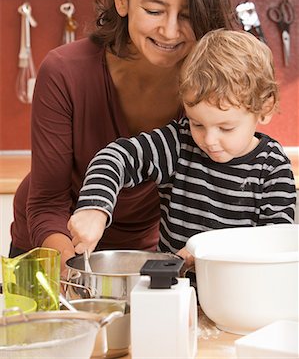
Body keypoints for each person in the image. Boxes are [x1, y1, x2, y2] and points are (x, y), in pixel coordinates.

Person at [9, 0, 233, 274]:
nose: (171, 31)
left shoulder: (210, 82)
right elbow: (47, 203)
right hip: (51, 244)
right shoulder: (65, 71)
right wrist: (75, 272)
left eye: (187, 15)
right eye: (155, 10)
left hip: (144, 255)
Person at [68, 29, 296, 266]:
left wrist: (208, 251)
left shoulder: (272, 167)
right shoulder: (179, 143)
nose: (209, 139)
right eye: (197, 123)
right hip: (173, 289)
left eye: (226, 128)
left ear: (266, 107)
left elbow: (274, 247)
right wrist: (95, 207)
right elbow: (116, 157)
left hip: (239, 292)